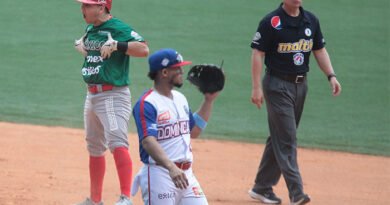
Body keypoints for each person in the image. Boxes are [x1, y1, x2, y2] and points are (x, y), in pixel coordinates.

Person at [248, 0, 341, 205]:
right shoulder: (271, 22)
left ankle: (261, 187)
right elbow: (258, 53)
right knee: (288, 138)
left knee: (279, 137)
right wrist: (256, 87)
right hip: (276, 85)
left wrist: (331, 75)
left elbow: (319, 49)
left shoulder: (311, 20)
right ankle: (296, 193)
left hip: (301, 86)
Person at [73, 0, 149, 205]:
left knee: (117, 143)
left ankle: (126, 198)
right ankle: (95, 200)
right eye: (82, 5)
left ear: (102, 7)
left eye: (87, 6)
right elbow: (94, 45)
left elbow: (143, 49)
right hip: (92, 95)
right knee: (94, 146)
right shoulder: (91, 28)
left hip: (113, 95)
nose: (83, 9)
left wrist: (118, 45)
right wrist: (82, 42)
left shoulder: (118, 28)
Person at [131, 48, 219, 205]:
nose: (182, 71)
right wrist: (171, 167)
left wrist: (208, 100)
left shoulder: (180, 99)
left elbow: (194, 131)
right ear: (164, 73)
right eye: (177, 68)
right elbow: (148, 141)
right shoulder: (147, 103)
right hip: (160, 175)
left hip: (186, 175)